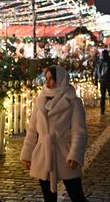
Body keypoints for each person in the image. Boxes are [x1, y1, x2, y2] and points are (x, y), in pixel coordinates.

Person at [20, 66, 88, 201]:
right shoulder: (41, 100)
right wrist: (27, 154)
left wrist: (75, 154)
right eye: (46, 78)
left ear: (61, 79)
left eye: (51, 79)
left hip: (65, 155)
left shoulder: (73, 101)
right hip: (43, 153)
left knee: (77, 196)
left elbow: (79, 131)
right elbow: (32, 130)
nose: (47, 82)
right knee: (48, 198)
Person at [94, 49, 110, 114]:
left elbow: (95, 72)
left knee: (102, 95)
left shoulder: (99, 62)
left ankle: (102, 109)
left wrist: (95, 81)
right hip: (109, 79)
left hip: (101, 80)